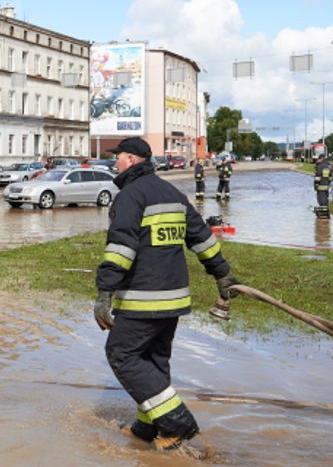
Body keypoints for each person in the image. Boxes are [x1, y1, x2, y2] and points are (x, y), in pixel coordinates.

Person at [93, 137, 241, 451]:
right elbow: (201, 237)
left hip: (142, 299)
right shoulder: (172, 193)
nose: (114, 162)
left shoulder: (130, 196)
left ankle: (178, 423)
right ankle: (146, 431)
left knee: (122, 355)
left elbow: (121, 248)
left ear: (131, 160)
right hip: (174, 300)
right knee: (153, 361)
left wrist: (105, 292)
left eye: (117, 156)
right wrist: (222, 273)